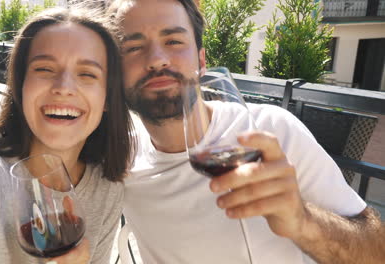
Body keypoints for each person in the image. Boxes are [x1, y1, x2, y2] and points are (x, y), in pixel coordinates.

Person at [107, 0, 385, 263]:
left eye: (173, 41)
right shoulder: (118, 160)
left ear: (201, 62)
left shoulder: (271, 131)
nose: (157, 60)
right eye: (133, 47)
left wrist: (303, 221)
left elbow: (377, 252)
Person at [0, 6, 133, 264]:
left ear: (108, 99)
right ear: (21, 86)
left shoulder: (106, 187)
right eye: (44, 69)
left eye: (87, 74)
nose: (64, 87)